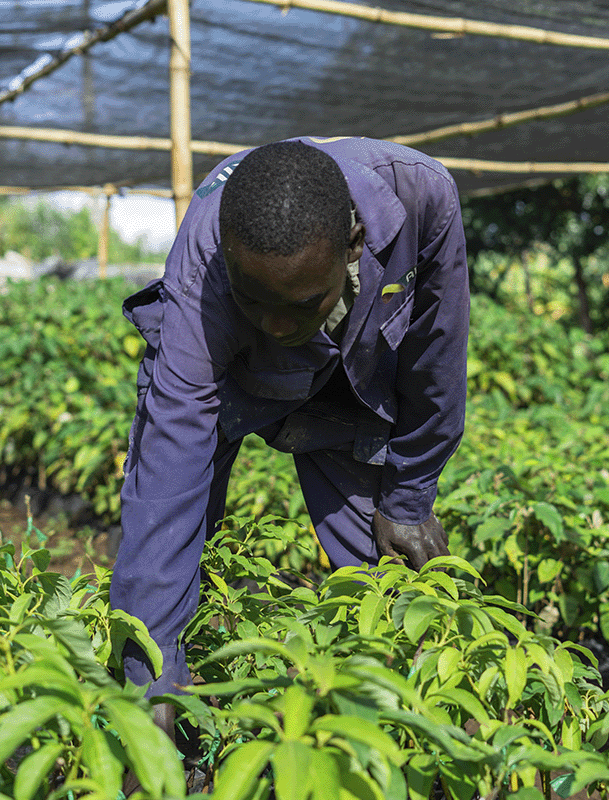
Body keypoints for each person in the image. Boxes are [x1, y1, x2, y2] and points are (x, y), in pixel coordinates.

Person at [112, 136, 470, 699]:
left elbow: (436, 361)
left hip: (348, 376)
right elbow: (169, 466)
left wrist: (409, 497)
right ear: (227, 258)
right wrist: (148, 679)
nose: (278, 326)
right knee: (169, 555)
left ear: (354, 244)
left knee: (385, 587)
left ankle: (414, 727)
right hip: (235, 375)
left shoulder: (423, 198)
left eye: (301, 303)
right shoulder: (202, 263)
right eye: (254, 300)